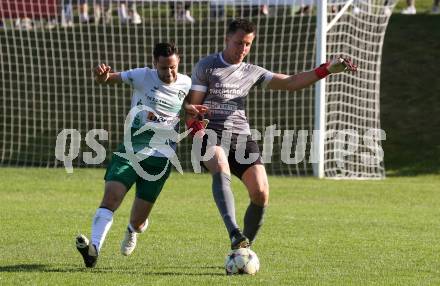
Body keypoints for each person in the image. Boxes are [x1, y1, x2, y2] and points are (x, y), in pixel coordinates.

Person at [184, 18, 356, 250]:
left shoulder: (250, 71)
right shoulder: (207, 66)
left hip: (241, 137)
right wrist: (194, 124)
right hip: (210, 133)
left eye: (247, 44)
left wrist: (325, 70)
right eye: (238, 43)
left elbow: (291, 82)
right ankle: (234, 232)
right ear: (227, 39)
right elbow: (192, 110)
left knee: (261, 193)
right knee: (221, 167)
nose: (242, 49)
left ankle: (243, 249)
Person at [75, 42, 191, 268]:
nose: (169, 73)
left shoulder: (186, 82)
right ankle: (94, 250)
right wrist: (101, 76)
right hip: (131, 150)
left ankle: (132, 230)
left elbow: (185, 106)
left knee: (138, 222)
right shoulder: (141, 76)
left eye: (173, 67)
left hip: (160, 158)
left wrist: (191, 112)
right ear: (154, 63)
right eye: (164, 68)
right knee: (111, 197)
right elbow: (108, 80)